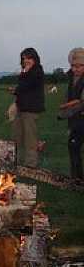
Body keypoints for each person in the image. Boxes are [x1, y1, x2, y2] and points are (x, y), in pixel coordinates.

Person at [10, 48, 45, 168]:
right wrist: (16, 91)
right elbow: (22, 88)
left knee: (30, 138)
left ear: (34, 58)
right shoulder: (25, 72)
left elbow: (27, 85)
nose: (26, 61)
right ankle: (17, 162)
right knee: (17, 137)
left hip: (31, 110)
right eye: (24, 58)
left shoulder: (37, 71)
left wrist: (17, 89)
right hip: (21, 108)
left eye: (29, 58)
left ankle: (30, 165)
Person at [62, 48, 84, 178]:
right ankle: (76, 178)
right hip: (75, 121)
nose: (76, 69)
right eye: (73, 66)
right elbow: (69, 96)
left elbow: (81, 101)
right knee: (73, 147)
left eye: (80, 66)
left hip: (80, 118)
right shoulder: (72, 79)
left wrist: (65, 108)